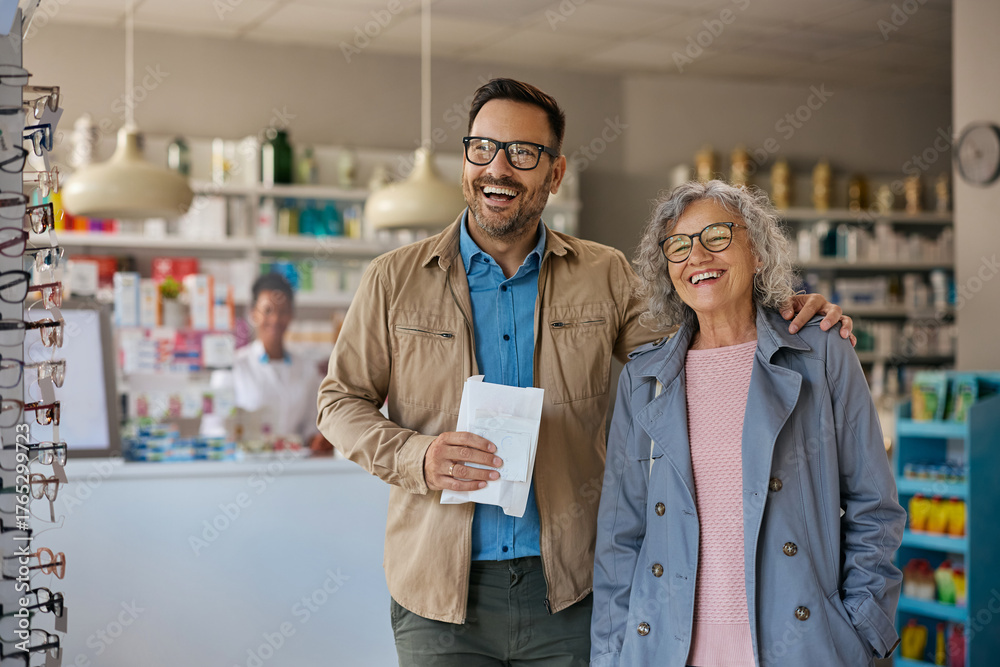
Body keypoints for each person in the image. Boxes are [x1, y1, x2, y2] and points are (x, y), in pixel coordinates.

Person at [317, 79, 853, 666]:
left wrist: (783, 314)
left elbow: (701, 338)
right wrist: (417, 457)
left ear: (555, 172)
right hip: (438, 598)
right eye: (482, 148)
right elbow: (339, 402)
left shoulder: (606, 275)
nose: (498, 168)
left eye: (523, 153)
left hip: (569, 594)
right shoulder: (393, 280)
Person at [591, 180, 905, 667]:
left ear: (756, 251)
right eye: (678, 245)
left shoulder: (821, 353)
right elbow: (620, 540)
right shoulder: (643, 379)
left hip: (801, 650)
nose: (697, 256)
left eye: (717, 235)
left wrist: (861, 629)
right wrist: (612, 656)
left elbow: (874, 507)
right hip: (665, 653)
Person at [233, 272, 330, 454]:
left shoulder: (307, 368)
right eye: (268, 310)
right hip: (247, 462)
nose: (275, 319)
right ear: (253, 313)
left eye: (283, 311)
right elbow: (217, 427)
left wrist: (316, 439)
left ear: (291, 315)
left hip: (294, 463)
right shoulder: (236, 366)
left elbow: (311, 423)